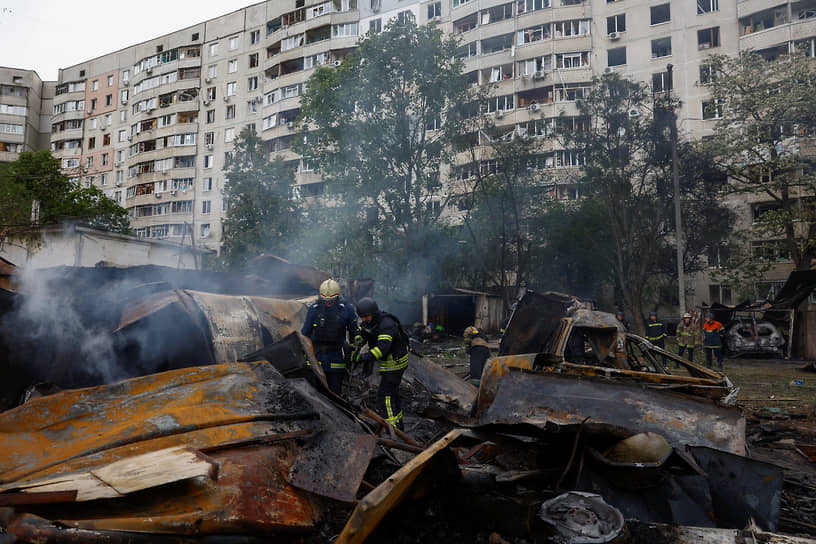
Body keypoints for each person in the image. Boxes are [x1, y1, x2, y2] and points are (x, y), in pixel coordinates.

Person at [355, 298, 409, 430]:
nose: (365, 319)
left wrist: (362, 357)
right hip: (389, 364)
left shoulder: (387, 324)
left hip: (395, 364)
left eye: (366, 316)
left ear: (373, 312)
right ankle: (399, 425)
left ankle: (393, 429)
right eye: (362, 317)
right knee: (393, 394)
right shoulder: (373, 321)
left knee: (385, 396)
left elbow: (381, 349)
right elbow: (368, 333)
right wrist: (360, 339)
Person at [301, 279, 358, 396]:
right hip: (316, 358)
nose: (328, 303)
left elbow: (354, 333)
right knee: (314, 393)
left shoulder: (347, 309)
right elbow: (305, 333)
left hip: (336, 358)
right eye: (326, 300)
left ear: (337, 296)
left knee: (334, 393)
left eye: (331, 300)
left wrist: (352, 351)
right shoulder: (314, 309)